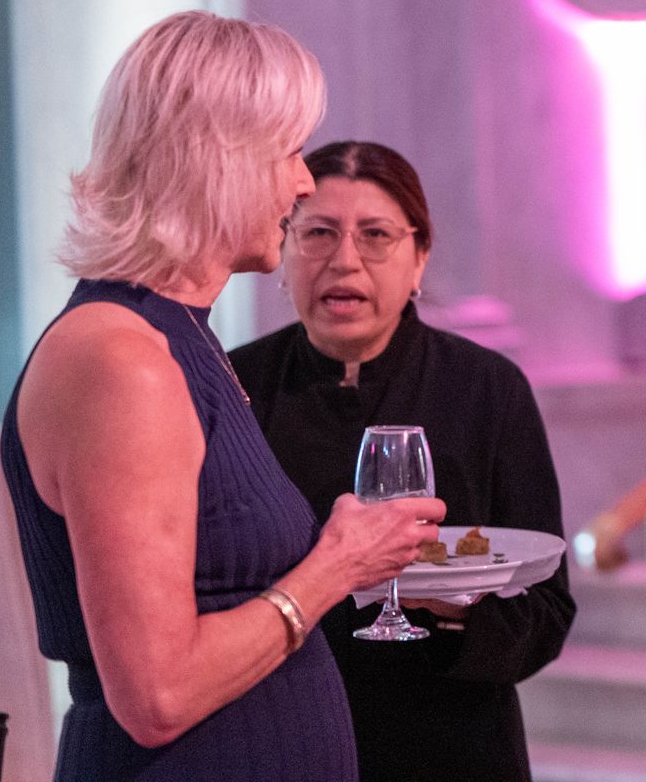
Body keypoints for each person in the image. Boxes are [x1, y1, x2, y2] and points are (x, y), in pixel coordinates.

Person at [0, 11, 445, 781]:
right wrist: (334, 566)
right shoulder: (118, 358)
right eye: (289, 151)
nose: (302, 182)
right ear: (218, 160)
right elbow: (157, 695)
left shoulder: (178, 337)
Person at [231, 140, 575, 782]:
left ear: (419, 258)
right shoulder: (236, 386)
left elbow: (548, 613)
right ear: (282, 251)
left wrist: (449, 603)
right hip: (281, 743)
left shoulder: (487, 389)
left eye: (376, 235)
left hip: (451, 749)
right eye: (319, 233)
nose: (345, 260)